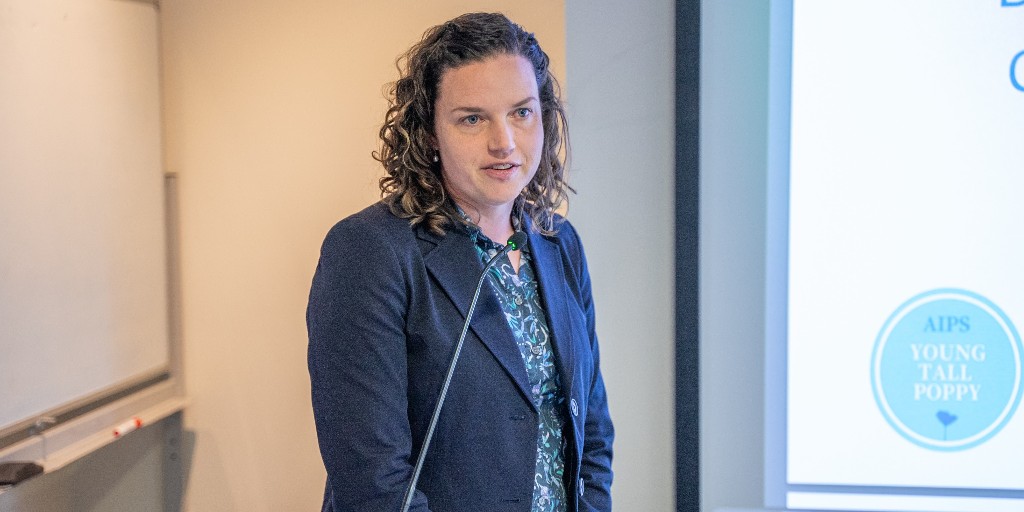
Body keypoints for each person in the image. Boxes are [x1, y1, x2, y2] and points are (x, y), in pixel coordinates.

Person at [307, 12, 613, 512]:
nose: (504, 142)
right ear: (428, 133)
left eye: (522, 112)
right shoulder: (369, 251)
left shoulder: (559, 242)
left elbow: (591, 428)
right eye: (472, 118)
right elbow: (373, 479)